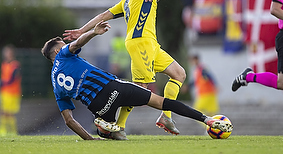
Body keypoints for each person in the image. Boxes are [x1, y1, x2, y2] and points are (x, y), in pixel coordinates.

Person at [41, 21, 233, 140]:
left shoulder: (55, 84)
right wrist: (93, 32)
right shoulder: (64, 54)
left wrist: (90, 140)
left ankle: (104, 129)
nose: (66, 46)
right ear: (57, 51)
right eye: (63, 46)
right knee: (161, 102)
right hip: (113, 88)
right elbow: (77, 43)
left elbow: (68, 121)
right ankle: (207, 120)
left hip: (98, 107)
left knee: (112, 133)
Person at [63, 0, 186, 139]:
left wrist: (81, 30)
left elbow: (102, 15)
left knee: (179, 74)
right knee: (140, 89)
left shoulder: (127, 0)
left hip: (152, 44)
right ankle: (118, 126)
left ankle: (166, 116)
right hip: (141, 43)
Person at [0, 45, 22, 136]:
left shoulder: (15, 65)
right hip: (4, 92)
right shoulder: (4, 64)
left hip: (13, 92)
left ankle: (12, 132)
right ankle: (4, 131)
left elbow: (12, 79)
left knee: (9, 113)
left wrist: (3, 83)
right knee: (3, 112)